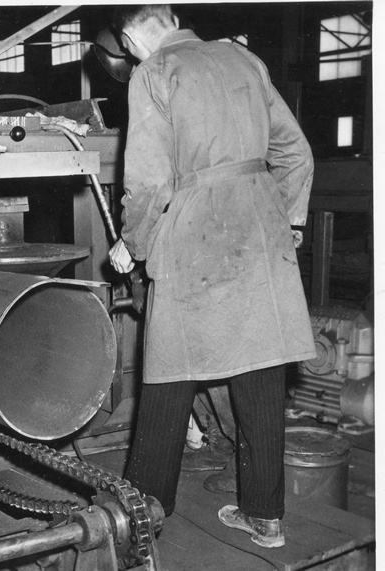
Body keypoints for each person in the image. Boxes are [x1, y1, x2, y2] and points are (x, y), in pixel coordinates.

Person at [108, 5, 316, 549]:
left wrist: (133, 243)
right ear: (172, 15)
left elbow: (149, 182)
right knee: (261, 363)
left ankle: (144, 513)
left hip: (195, 230)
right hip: (259, 226)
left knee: (170, 368)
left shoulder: (153, 72)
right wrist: (286, 219)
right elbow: (296, 152)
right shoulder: (243, 59)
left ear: (129, 39)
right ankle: (265, 517)